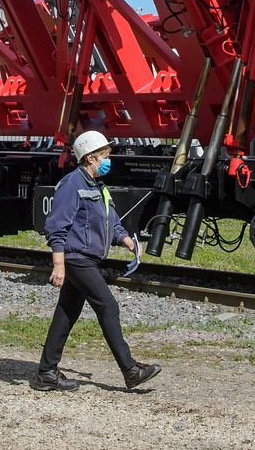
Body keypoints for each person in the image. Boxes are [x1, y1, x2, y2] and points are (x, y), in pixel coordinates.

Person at [32, 130, 162, 392]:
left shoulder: (97, 187)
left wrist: (126, 240)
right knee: (108, 307)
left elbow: (110, 222)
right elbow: (56, 227)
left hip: (86, 258)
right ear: (90, 158)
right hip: (76, 258)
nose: (108, 160)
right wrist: (59, 265)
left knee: (66, 313)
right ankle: (130, 370)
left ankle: (46, 373)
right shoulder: (72, 185)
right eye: (104, 156)